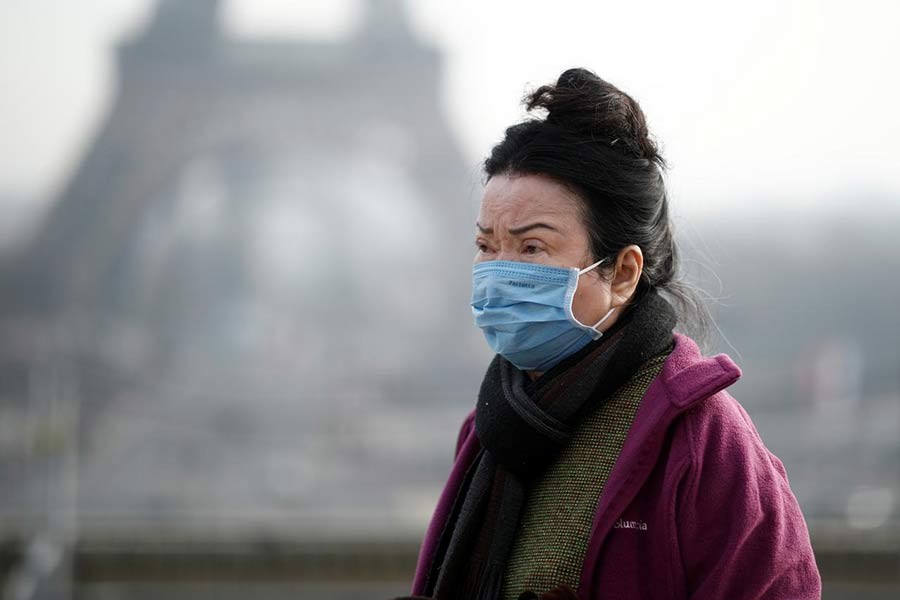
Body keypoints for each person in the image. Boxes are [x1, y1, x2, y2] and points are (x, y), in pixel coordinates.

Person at [396, 68, 821, 600]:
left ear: (621, 273)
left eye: (531, 249)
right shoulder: (490, 426)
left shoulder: (705, 440)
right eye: (486, 246)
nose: (499, 272)